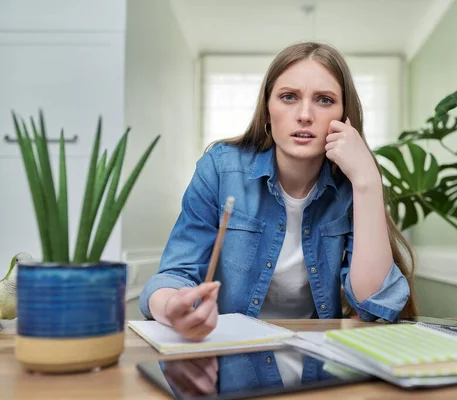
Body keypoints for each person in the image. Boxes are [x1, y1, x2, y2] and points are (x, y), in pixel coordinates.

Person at [139, 41, 417, 388]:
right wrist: (172, 307)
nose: (305, 114)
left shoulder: (351, 182)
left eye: (324, 100)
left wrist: (367, 182)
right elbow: (172, 276)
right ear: (267, 109)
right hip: (229, 366)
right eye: (288, 97)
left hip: (315, 367)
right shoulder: (220, 168)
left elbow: (374, 303)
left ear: (344, 117)